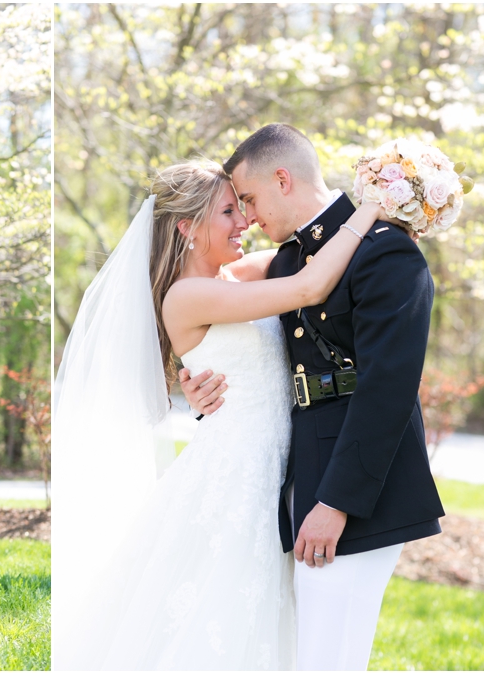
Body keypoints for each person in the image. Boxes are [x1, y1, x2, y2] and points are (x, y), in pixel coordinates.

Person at [54, 154, 395, 669]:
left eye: (244, 208)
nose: (246, 222)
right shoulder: (187, 296)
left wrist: (397, 214)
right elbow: (308, 287)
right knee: (221, 613)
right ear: (189, 228)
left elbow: (310, 252)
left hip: (279, 467)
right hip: (237, 472)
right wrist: (370, 208)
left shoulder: (239, 276)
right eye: (230, 213)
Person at [181, 124, 444, 670]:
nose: (248, 217)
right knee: (306, 651)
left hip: (362, 488)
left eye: (248, 199)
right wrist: (203, 382)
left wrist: (337, 502)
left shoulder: (386, 253)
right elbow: (224, 330)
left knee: (330, 654)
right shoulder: (287, 263)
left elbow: (387, 389)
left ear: (283, 178)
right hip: (304, 470)